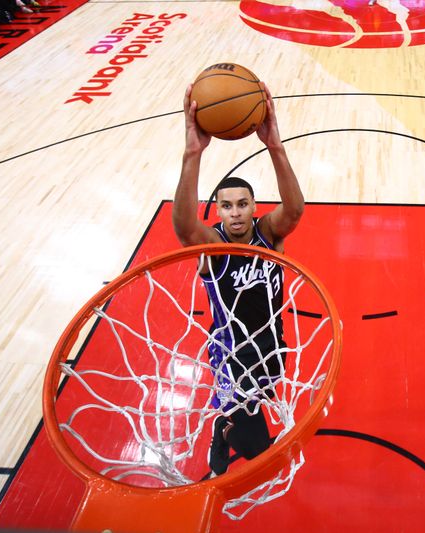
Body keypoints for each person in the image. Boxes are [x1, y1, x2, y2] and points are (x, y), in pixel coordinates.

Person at [172, 82, 304, 476]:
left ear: (253, 207)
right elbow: (183, 228)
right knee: (256, 450)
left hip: (272, 346)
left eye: (242, 204)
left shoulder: (269, 233)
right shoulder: (213, 245)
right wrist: (192, 153)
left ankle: (229, 422)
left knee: (262, 403)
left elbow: (295, 209)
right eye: (226, 206)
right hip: (230, 356)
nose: (235, 213)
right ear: (219, 211)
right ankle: (223, 428)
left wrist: (275, 146)